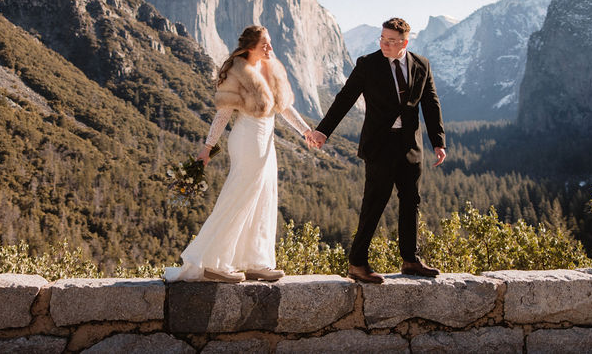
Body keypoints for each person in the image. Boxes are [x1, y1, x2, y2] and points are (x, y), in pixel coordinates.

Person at [165, 25, 314, 283]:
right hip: (246, 140)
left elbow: (284, 108)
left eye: (269, 43)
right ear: (249, 48)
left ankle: (257, 261)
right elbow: (222, 115)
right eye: (264, 45)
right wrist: (207, 148)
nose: (270, 48)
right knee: (239, 196)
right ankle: (215, 262)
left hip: (267, 142)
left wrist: (306, 131)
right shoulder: (237, 73)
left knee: (264, 197)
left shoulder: (271, 68)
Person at [307, 17, 446, 284]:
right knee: (374, 203)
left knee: (411, 201)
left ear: (405, 42)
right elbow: (345, 97)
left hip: (410, 145)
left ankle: (410, 260)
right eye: (382, 38)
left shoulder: (421, 65)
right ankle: (357, 263)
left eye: (391, 41)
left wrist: (438, 141)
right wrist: (323, 131)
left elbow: (431, 103)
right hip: (379, 146)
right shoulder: (368, 64)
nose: (384, 44)